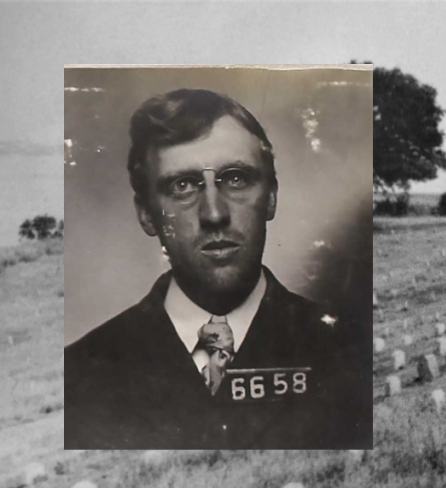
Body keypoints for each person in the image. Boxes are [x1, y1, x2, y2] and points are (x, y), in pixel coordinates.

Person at [65, 88, 370, 450]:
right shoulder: (80, 373)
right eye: (182, 186)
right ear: (146, 213)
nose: (214, 214)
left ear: (271, 197)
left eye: (236, 179)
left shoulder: (351, 350)